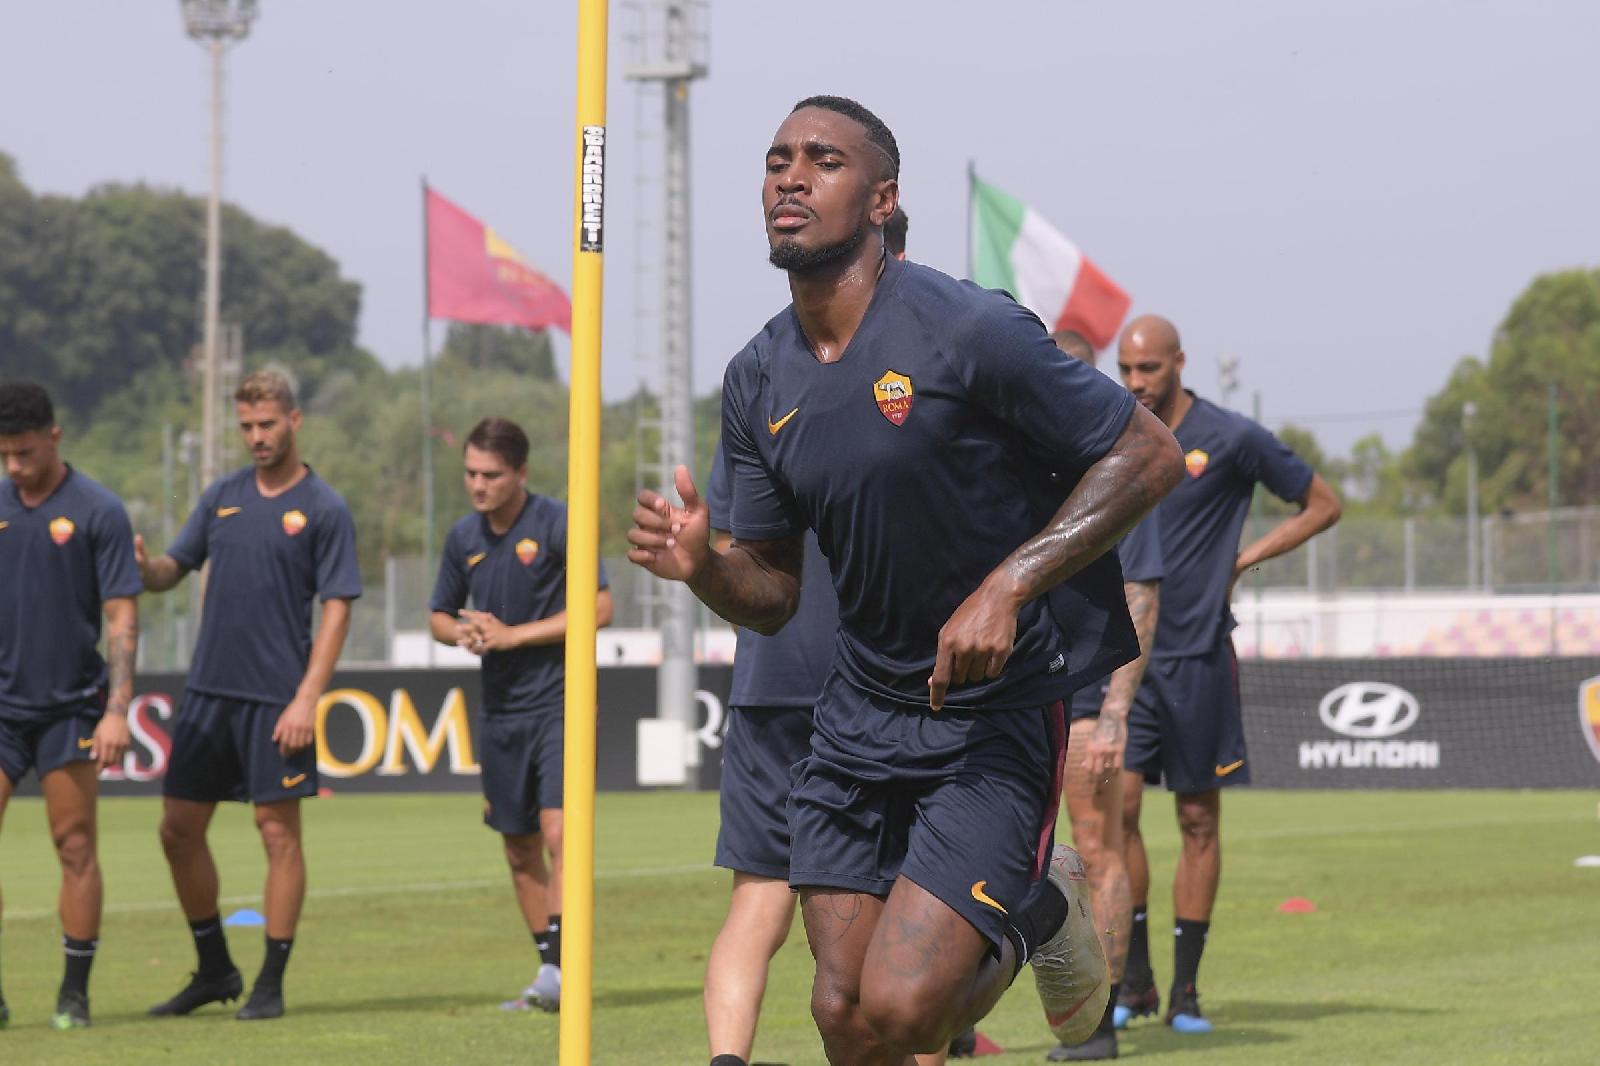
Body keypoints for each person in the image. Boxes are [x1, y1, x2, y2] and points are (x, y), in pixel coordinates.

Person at [628, 95, 1184, 1064]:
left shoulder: (962, 326)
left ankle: (1038, 914)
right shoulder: (756, 378)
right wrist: (703, 567)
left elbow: (1147, 454)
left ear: (881, 198)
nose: (789, 177)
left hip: (989, 715)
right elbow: (771, 587)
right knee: (844, 1020)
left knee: (907, 1009)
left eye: (821, 160)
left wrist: (1010, 584)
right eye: (775, 160)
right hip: (853, 720)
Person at [1112, 315, 1341, 1034]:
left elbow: (1324, 504)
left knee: (1196, 821)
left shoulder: (1232, 437)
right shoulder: (1115, 431)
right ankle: (1136, 981)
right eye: (1125, 368)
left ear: (1179, 362)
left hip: (1201, 657)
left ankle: (1186, 994)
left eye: (1147, 369)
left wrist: (1245, 559)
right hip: (1127, 661)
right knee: (1116, 818)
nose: (1134, 383)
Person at [137, 369, 361, 1021]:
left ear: (294, 421)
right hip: (209, 691)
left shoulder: (324, 507)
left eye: (267, 425)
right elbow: (170, 571)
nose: (256, 437)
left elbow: (339, 608)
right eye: (246, 427)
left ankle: (270, 983)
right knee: (177, 831)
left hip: (276, 698)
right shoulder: (222, 496)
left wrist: (307, 697)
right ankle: (214, 969)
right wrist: (145, 567)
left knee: (276, 833)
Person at [429, 416, 613, 1013]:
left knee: (561, 832)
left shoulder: (556, 521)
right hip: (500, 712)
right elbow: (436, 616)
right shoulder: (463, 537)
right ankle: (550, 974)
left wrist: (514, 636)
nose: (478, 485)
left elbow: (601, 606)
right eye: (470, 474)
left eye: (491, 475)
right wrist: (465, 630)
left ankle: (562, 969)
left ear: (521, 474)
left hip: (560, 702)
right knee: (518, 847)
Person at [1037, 332, 1163, 1062]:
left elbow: (1141, 594)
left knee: (1098, 851)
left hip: (1083, 699)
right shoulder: (1003, 461)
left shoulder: (1115, 472)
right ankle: (952, 1017)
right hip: (1010, 697)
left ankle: (1098, 1028)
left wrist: (1115, 713)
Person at [0, 381, 141, 1030]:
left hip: (72, 708)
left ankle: (74, 994)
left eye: (24, 452)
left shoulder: (98, 510)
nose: (14, 466)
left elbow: (121, 616)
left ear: (54, 437)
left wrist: (117, 709)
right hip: (1, 709)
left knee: (74, 843)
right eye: (4, 454)